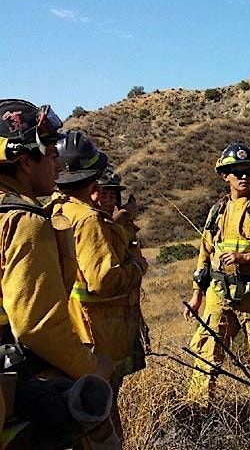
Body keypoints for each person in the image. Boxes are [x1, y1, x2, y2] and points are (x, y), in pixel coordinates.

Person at [0, 99, 116, 447]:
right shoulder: (24, 222)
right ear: (24, 161)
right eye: (50, 154)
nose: (56, 164)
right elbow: (37, 326)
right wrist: (92, 368)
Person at [50, 130, 148, 442]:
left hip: (72, 334)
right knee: (101, 417)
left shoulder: (56, 210)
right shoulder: (88, 220)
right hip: (98, 335)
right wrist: (136, 266)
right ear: (92, 179)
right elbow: (105, 280)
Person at [183, 143, 250, 406]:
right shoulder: (216, 211)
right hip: (218, 293)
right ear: (225, 176)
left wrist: (248, 259)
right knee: (207, 351)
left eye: (248, 171)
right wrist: (197, 294)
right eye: (237, 171)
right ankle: (198, 409)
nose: (244, 176)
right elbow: (205, 253)